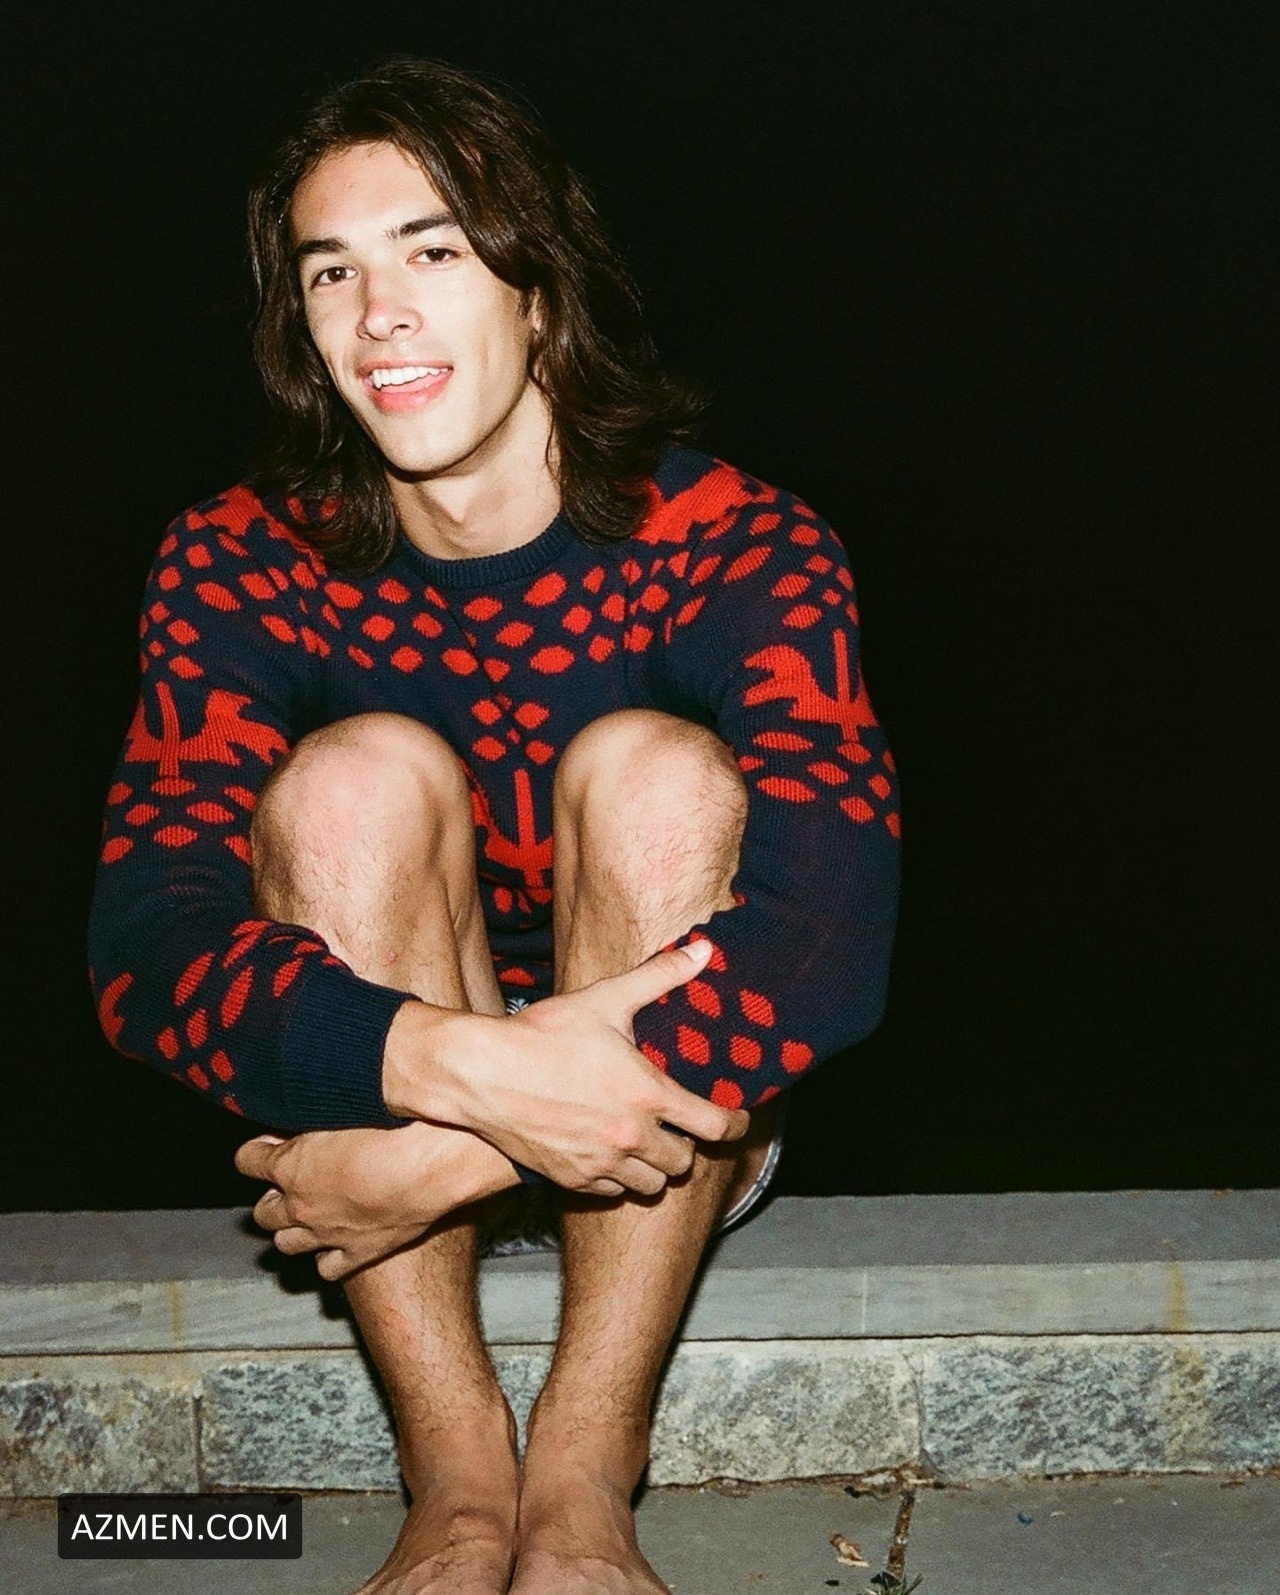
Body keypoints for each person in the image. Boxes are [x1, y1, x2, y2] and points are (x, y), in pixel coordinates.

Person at [88, 57, 900, 1595]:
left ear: (540, 292)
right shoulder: (241, 564)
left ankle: (585, 1479)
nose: (379, 313)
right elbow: (145, 948)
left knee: (654, 770)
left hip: (673, 1126)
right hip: (372, 1092)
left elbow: (830, 936)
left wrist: (432, 1158)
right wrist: (466, 1082)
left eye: (434, 250)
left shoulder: (736, 544)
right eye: (333, 271)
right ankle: (459, 1487)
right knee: (353, 777)